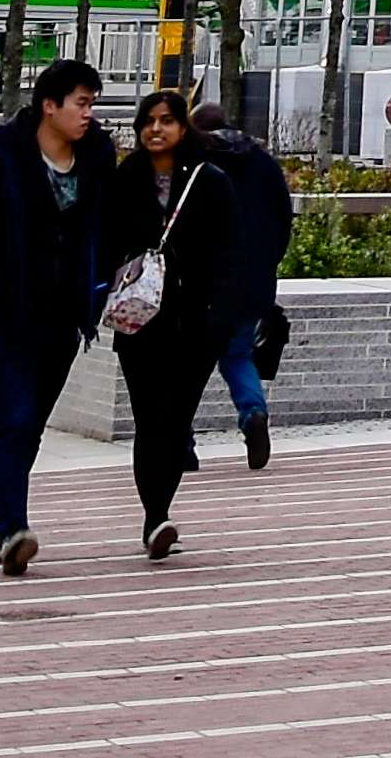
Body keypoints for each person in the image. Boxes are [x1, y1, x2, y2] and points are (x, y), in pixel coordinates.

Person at [0, 58, 135, 577]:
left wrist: (100, 287)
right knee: (14, 421)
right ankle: (15, 530)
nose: (88, 115)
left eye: (92, 104)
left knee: (27, 431)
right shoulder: (5, 162)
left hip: (63, 321)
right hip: (6, 321)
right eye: (80, 103)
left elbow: (112, 228)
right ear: (49, 106)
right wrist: (1, 288)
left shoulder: (97, 160)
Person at [116, 90, 268, 561]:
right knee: (149, 421)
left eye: (166, 121)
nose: (156, 129)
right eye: (148, 121)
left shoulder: (210, 181)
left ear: (184, 128)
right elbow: (105, 241)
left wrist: (219, 319)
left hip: (194, 326)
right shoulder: (125, 180)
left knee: (175, 421)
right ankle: (154, 517)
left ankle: (159, 511)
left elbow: (232, 253)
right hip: (140, 324)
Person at [198, 103, 296, 472]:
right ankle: (253, 413)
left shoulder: (200, 163)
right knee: (237, 355)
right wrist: (268, 262)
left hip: (207, 282)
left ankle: (181, 443)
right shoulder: (263, 162)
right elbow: (283, 218)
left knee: (190, 361)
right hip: (254, 280)